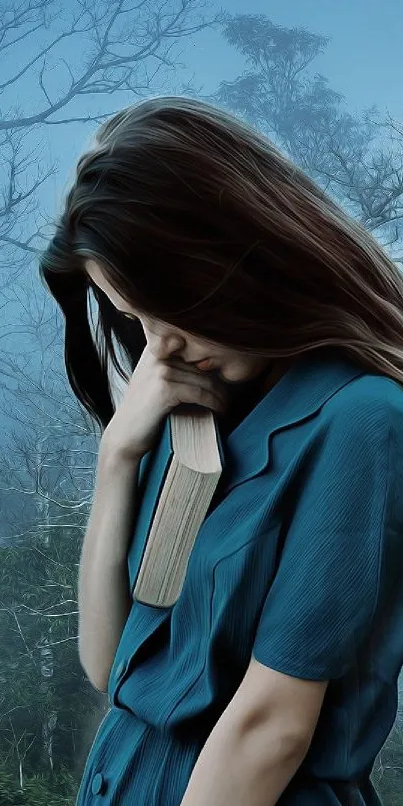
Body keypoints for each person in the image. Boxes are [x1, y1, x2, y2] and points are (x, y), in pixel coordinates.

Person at [38, 96, 403, 806]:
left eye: (161, 307)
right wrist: (117, 458)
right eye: (131, 318)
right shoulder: (196, 410)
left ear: (231, 258)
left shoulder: (361, 418)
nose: (157, 346)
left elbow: (270, 728)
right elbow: (111, 665)